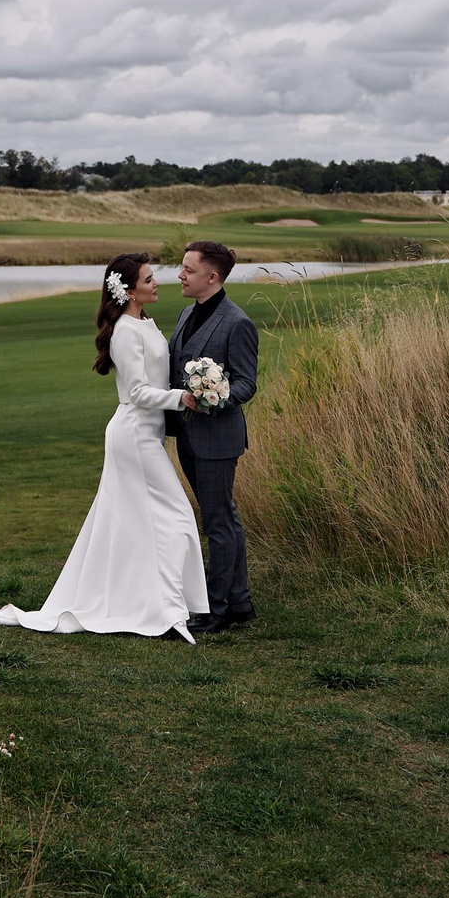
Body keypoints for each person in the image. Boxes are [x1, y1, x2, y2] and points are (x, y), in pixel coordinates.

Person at [0, 253, 210, 642]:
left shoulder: (144, 322)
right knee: (178, 517)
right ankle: (171, 611)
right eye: (149, 279)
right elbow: (137, 392)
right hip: (134, 435)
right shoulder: (124, 329)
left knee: (138, 523)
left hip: (147, 434)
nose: (158, 283)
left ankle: (161, 605)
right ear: (130, 290)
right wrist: (181, 399)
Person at [165, 240, 258, 632]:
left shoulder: (237, 323)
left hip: (217, 437)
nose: (180, 274)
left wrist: (213, 400)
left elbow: (246, 384)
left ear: (212, 276)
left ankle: (217, 609)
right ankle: (239, 603)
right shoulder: (188, 313)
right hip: (187, 435)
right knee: (223, 519)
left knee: (218, 523)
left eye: (188, 269)